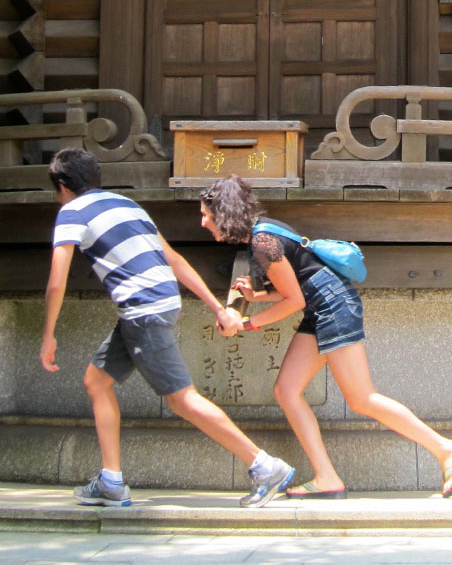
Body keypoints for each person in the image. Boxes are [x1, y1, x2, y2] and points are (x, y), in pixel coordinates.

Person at [40, 149, 295, 508]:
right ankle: (111, 481)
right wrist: (217, 308)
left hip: (142, 311)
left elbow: (56, 281)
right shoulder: (126, 204)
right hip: (156, 304)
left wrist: (48, 335)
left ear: (63, 186)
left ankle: (264, 466)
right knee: (96, 381)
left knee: (182, 399)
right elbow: (173, 260)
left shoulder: (71, 211)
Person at [200, 175, 452, 500]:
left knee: (362, 398)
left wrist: (246, 324)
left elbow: (295, 300)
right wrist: (258, 297)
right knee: (287, 390)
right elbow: (298, 284)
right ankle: (327, 477)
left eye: (206, 214)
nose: (203, 222)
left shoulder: (263, 242)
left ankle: (447, 450)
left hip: (333, 307)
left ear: (225, 214)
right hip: (321, 308)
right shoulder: (262, 232)